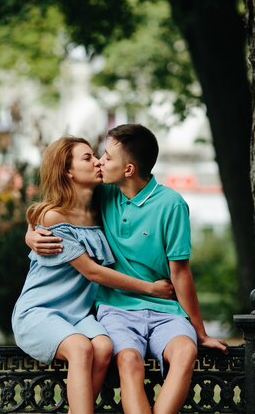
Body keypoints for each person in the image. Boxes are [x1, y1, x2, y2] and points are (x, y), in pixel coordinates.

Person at [27, 124, 228, 414]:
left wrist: (200, 331)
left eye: (107, 157)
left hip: (165, 311)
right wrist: (31, 234)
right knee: (129, 361)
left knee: (186, 352)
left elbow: (180, 273)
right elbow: (52, 209)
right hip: (116, 309)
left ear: (129, 169)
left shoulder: (171, 205)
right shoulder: (102, 195)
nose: (99, 161)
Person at [11, 136, 175, 414]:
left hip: (78, 315)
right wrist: (150, 288)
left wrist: (29, 233)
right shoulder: (54, 216)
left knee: (102, 346)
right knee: (80, 349)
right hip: (40, 312)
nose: (98, 161)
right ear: (67, 170)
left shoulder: (100, 206)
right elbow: (92, 271)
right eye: (87, 158)